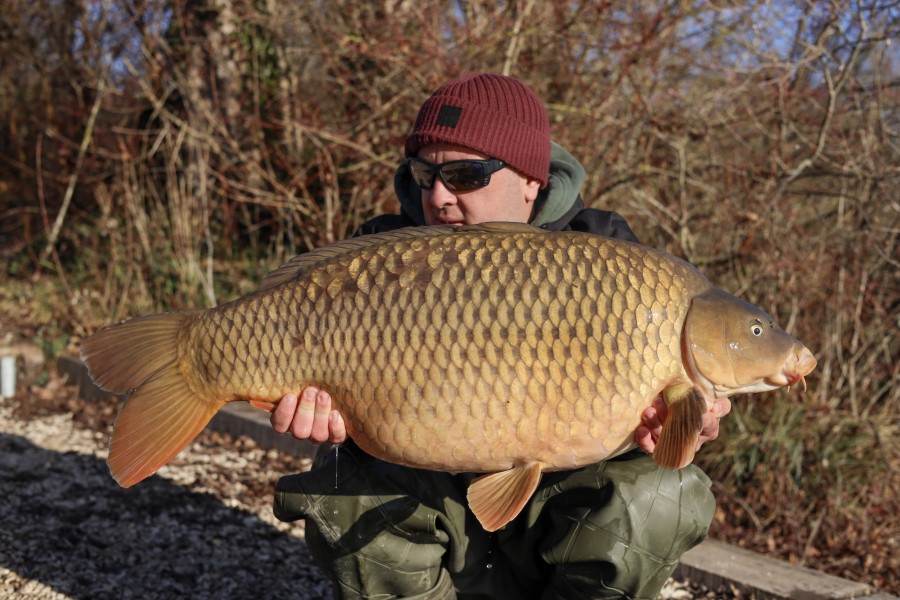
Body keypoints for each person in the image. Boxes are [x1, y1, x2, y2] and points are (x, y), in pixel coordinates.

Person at [270, 73, 731, 599]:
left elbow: (673, 419)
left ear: (532, 182)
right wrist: (324, 416)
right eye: (425, 173)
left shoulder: (611, 259)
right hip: (428, 501)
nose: (439, 197)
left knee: (663, 494)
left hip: (554, 522)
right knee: (339, 481)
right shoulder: (381, 259)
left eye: (466, 175)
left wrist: (686, 423)